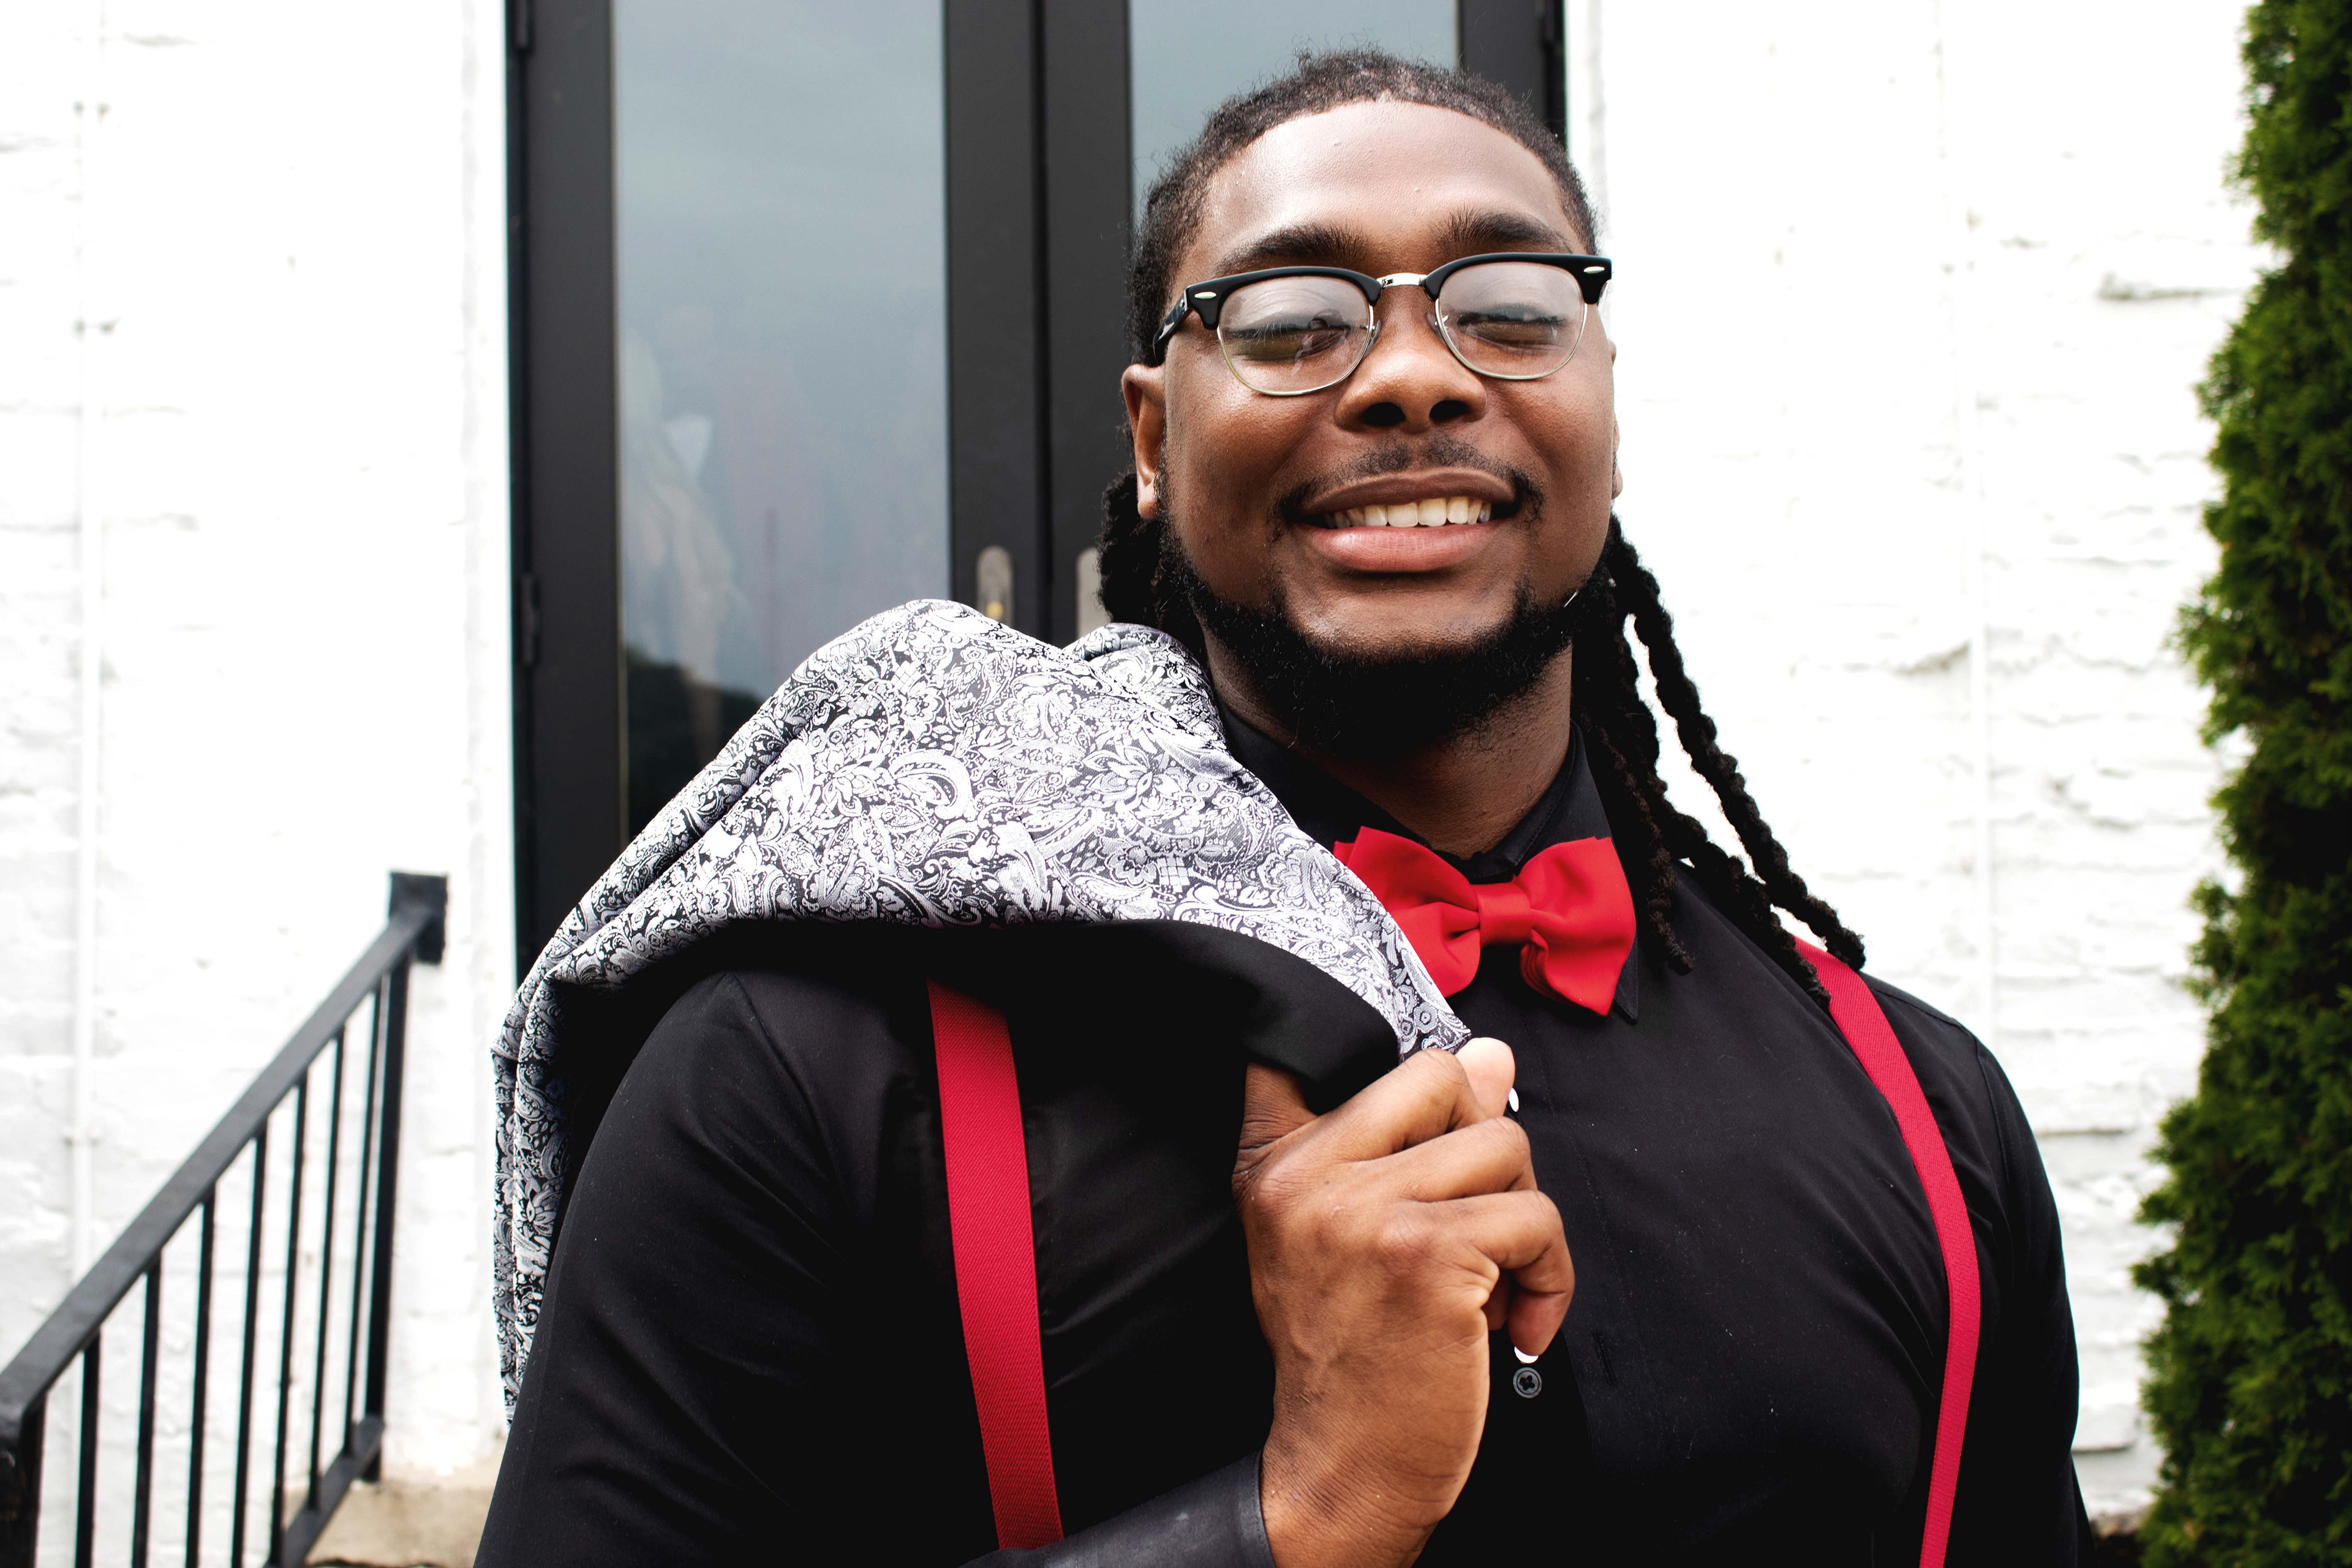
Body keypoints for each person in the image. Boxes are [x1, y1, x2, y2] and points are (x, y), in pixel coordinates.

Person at [477, 51, 2095, 1566]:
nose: (1412, 376)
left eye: (1510, 307)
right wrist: (1297, 1516)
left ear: (1604, 404)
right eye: (1291, 319)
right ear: (1153, 438)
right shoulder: (805, 1069)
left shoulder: (1927, 1114)